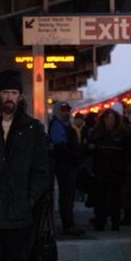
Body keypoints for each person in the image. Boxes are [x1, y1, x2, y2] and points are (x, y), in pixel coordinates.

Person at [0, 69, 51, 261]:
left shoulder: (33, 129)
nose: (10, 97)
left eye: (14, 92)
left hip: (18, 207)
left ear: (20, 96)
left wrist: (30, 199)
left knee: (17, 258)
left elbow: (41, 169)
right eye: (6, 92)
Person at [88, 109, 131, 231]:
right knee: (100, 199)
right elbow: (87, 150)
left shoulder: (123, 135)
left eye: (112, 119)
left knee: (116, 199)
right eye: (107, 119)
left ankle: (115, 222)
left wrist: (127, 167)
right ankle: (100, 222)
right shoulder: (96, 134)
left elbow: (130, 153)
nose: (110, 122)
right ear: (103, 120)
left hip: (116, 172)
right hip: (100, 171)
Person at [49, 101, 84, 236]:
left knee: (68, 196)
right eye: (63, 110)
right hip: (64, 166)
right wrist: (75, 156)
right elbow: (60, 148)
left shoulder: (64, 125)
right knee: (66, 196)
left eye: (67, 110)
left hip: (69, 165)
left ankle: (69, 224)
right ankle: (68, 225)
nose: (66, 113)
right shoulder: (57, 126)